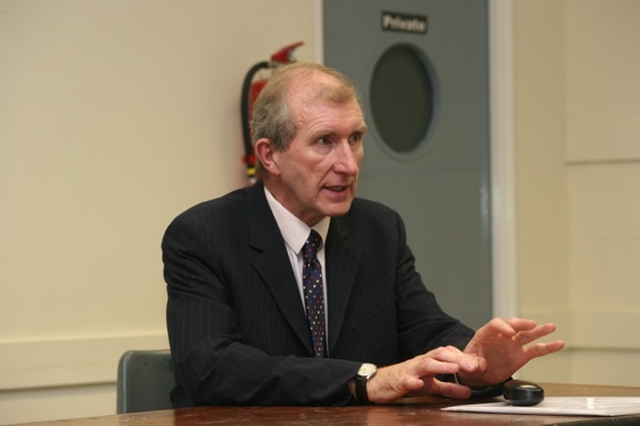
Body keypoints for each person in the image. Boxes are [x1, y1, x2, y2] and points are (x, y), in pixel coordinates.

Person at [161, 62, 564, 407]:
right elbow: (210, 366)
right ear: (270, 155)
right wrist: (364, 379)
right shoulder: (203, 235)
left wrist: (473, 364)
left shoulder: (379, 229)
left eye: (355, 139)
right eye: (325, 142)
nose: (349, 165)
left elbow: (426, 328)